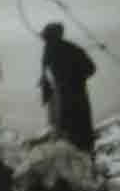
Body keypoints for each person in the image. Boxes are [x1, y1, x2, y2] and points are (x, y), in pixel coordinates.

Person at [38, 22, 97, 151]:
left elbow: (90, 68)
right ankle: (81, 151)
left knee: (69, 130)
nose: (45, 41)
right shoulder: (70, 49)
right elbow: (90, 69)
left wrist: (70, 80)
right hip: (69, 95)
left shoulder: (53, 51)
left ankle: (80, 152)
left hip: (66, 97)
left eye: (47, 37)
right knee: (75, 129)